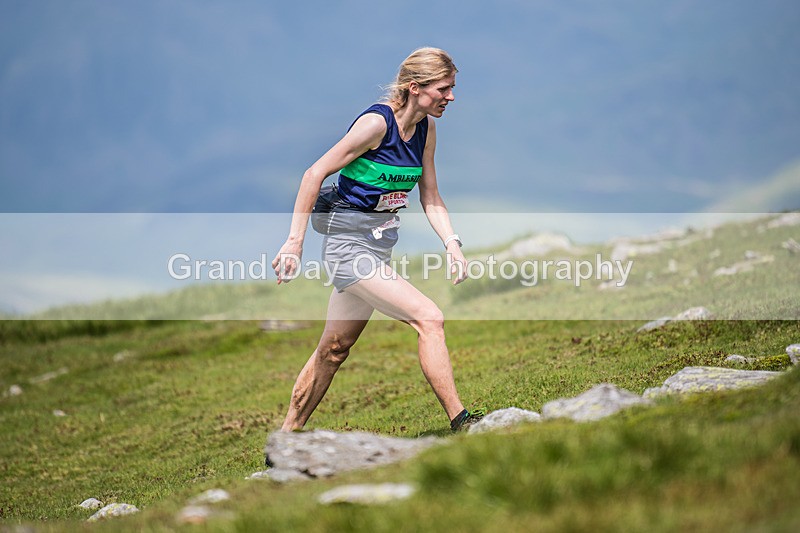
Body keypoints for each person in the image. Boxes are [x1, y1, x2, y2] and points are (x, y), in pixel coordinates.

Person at [271, 47, 482, 433]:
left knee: (334, 349)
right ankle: (462, 422)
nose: (451, 97)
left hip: (377, 247)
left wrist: (452, 243)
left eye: (452, 88)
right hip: (346, 247)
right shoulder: (375, 125)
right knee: (429, 318)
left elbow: (430, 195)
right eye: (444, 88)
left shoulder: (426, 130)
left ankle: (285, 439)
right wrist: (293, 243)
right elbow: (313, 174)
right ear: (415, 88)